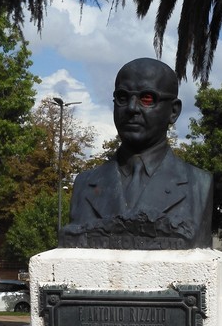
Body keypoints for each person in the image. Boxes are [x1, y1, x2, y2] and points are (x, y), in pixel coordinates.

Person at [59, 58, 213, 249]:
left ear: (174, 111)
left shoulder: (198, 185)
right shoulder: (85, 184)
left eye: (147, 98)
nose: (132, 108)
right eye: (123, 98)